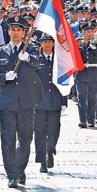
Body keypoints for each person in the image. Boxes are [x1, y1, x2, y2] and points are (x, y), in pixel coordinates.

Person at [0, 16, 44, 188]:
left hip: (26, 102)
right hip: (7, 102)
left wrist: (27, 57)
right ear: (8, 32)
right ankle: (11, 174)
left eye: (19, 30)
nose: (15, 32)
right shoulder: (0, 52)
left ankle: (20, 169)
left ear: (24, 32)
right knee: (7, 139)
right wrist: (5, 76)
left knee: (26, 138)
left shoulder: (32, 49)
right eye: (12, 30)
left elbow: (40, 64)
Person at [34, 34, 67, 173]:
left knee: (54, 130)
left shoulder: (59, 60)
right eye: (44, 42)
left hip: (55, 100)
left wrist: (64, 101)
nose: (47, 44)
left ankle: (50, 150)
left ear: (53, 44)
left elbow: (64, 81)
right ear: (41, 44)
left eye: (49, 41)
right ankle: (42, 160)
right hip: (39, 101)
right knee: (40, 131)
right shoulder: (36, 60)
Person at [75, 23, 97, 128]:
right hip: (81, 74)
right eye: (87, 31)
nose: (89, 33)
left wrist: (92, 45)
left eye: (91, 31)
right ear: (83, 32)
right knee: (81, 98)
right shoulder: (79, 44)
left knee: (92, 98)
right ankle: (82, 120)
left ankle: (91, 120)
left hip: (93, 73)